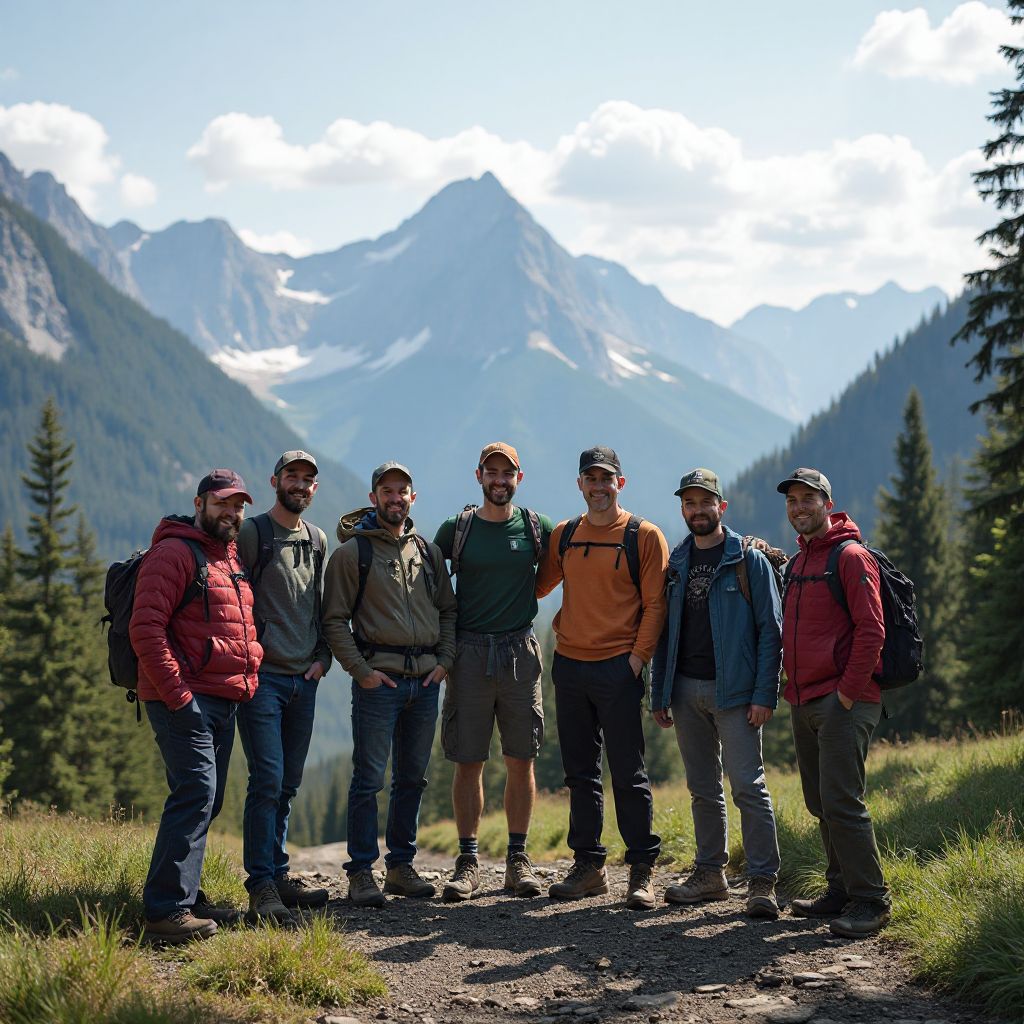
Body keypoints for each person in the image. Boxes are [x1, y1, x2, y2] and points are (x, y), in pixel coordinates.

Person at [130, 469, 262, 944]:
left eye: (239, 506)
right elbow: (146, 629)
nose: (232, 513)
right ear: (200, 503)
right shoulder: (173, 553)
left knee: (207, 799)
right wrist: (180, 697)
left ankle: (186, 896)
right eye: (223, 503)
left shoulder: (226, 556)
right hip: (184, 698)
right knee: (195, 792)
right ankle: (166, 911)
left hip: (222, 697)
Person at [535, 446, 668, 910]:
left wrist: (637, 660)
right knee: (580, 773)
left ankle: (641, 871)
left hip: (618, 667)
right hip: (569, 666)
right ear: (579, 485)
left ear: (620, 483)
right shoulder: (565, 535)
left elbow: (656, 605)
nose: (598, 486)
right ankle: (589, 867)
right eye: (590, 479)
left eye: (606, 479)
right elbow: (537, 586)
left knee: (628, 774)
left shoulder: (643, 536)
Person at [322, 462, 457, 907]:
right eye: (387, 490)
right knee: (368, 780)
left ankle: (400, 867)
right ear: (374, 496)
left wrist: (444, 661)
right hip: (379, 683)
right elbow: (334, 620)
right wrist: (361, 672)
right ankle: (361, 872)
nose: (395, 497)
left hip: (425, 682)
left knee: (412, 778)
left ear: (412, 497)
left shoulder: (428, 552)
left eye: (403, 490)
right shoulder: (351, 555)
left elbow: (448, 611)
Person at [651, 468, 783, 918]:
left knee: (749, 786)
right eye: (689, 503)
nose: (698, 510)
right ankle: (711, 874)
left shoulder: (748, 560)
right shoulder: (678, 562)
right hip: (685, 690)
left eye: (706, 502)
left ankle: (763, 882)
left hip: (738, 694)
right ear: (683, 509)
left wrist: (766, 693)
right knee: (702, 788)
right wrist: (660, 693)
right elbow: (666, 632)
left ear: (721, 507)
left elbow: (772, 631)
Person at [433, 442, 554, 901]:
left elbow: (551, 574)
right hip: (467, 651)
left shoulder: (535, 526)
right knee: (469, 760)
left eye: (508, 473)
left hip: (519, 650)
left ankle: (517, 861)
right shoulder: (457, 529)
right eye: (492, 472)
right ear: (479, 475)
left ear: (519, 478)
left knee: (521, 758)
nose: (500, 480)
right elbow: (422, 568)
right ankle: (468, 862)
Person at [777, 467, 891, 937]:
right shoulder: (801, 561)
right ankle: (840, 889)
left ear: (828, 501)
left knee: (843, 801)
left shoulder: (850, 556)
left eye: (808, 498)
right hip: (805, 700)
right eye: (792, 501)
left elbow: (872, 631)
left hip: (843, 700)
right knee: (820, 801)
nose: (799, 507)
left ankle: (872, 900)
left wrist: (845, 694)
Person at [236, 450, 332, 922]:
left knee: (287, 784)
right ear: (275, 481)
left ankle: (277, 872)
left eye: (308, 479)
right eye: (292, 476)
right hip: (263, 680)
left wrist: (323, 658)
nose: (300, 484)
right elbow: (234, 600)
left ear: (315, 489)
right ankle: (260, 885)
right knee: (267, 780)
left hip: (304, 679)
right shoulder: (253, 533)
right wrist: (250, 660)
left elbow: (321, 607)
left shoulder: (316, 539)